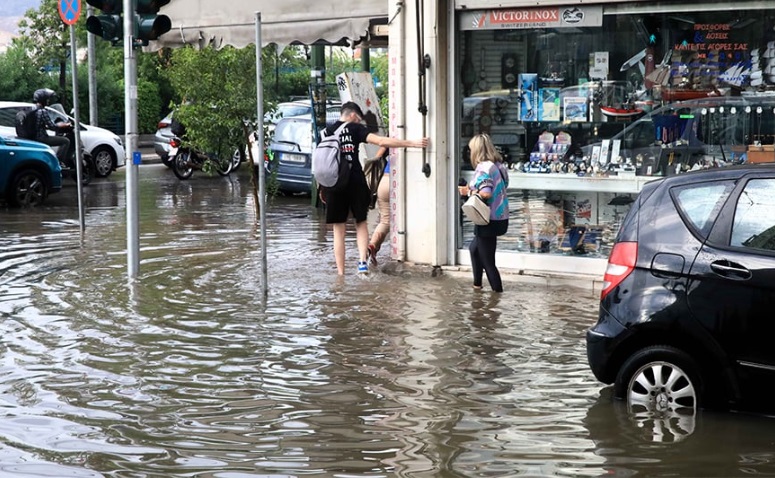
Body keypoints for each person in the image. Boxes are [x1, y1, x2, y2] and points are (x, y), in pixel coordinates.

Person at [320, 102, 428, 276]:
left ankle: (340, 274)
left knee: (338, 230)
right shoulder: (354, 129)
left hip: (333, 184)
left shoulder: (326, 132)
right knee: (360, 223)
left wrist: (323, 187)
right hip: (354, 181)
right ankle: (362, 263)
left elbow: (322, 162)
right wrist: (412, 143)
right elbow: (381, 141)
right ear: (354, 116)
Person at [458, 134, 509, 292]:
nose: (469, 152)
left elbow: (486, 193)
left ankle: (496, 296)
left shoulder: (483, 168)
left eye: (471, 149)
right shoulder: (498, 166)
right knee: (474, 249)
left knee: (488, 263)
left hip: (487, 219)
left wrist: (468, 192)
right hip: (500, 217)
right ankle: (477, 286)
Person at [32, 88, 71, 164]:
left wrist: (45, 126)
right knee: (66, 141)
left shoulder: (33, 109)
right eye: (47, 99)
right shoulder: (42, 111)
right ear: (43, 99)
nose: (48, 101)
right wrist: (64, 125)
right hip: (42, 138)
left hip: (34, 137)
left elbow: (38, 124)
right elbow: (53, 127)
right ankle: (58, 162)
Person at [366, 146, 389, 266]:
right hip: (402, 180)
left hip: (384, 181)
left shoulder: (390, 139)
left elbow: (378, 157)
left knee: (385, 221)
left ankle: (373, 246)